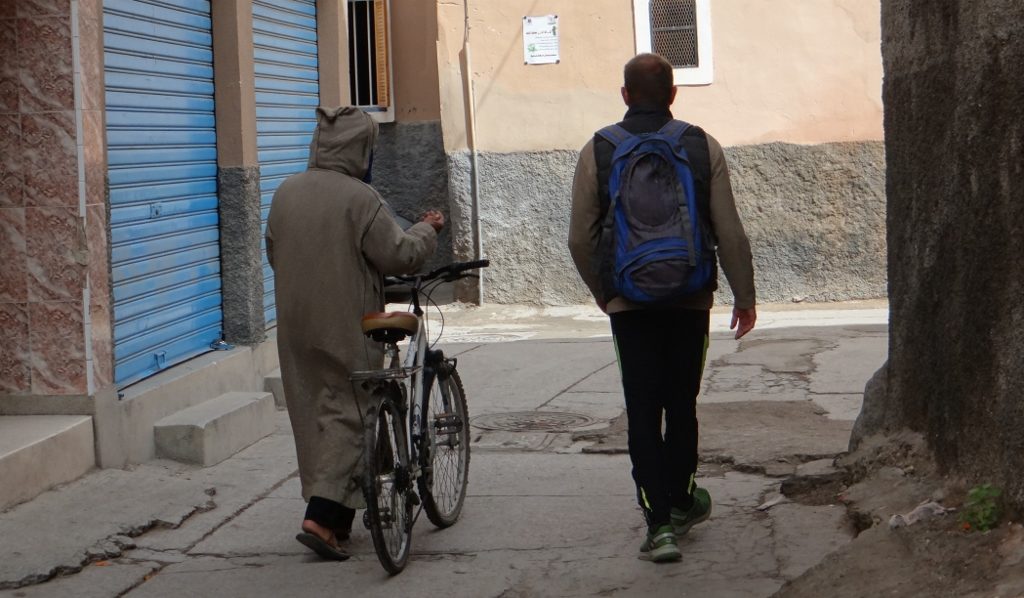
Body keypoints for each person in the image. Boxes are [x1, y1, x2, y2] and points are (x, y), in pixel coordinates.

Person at [568, 54, 757, 562]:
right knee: (682, 404)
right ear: (673, 94)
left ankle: (659, 527)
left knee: (643, 410)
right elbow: (729, 230)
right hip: (690, 299)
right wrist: (745, 296)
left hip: (629, 304)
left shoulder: (600, 150)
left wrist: (605, 293)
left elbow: (579, 239)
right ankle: (679, 503)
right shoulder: (700, 145)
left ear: (624, 95)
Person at [266, 106, 444, 561]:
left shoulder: (285, 193)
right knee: (353, 408)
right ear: (360, 149)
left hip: (294, 322)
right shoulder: (360, 198)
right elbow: (399, 254)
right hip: (345, 318)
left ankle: (341, 517)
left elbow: (274, 252)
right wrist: (428, 228)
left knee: (315, 412)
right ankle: (321, 517)